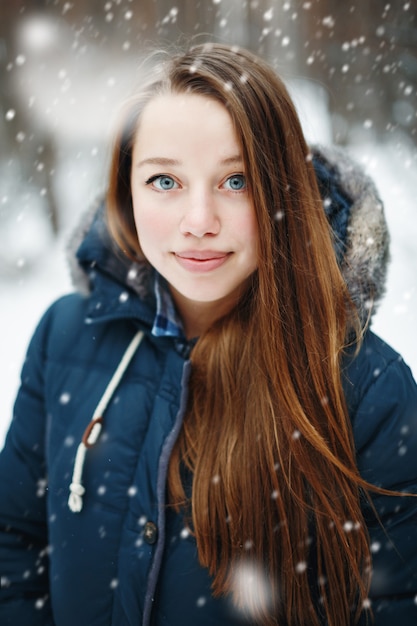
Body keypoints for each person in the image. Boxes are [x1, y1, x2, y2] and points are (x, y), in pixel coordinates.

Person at [0, 42, 416, 626]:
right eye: (165, 181)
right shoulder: (65, 337)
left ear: (282, 192)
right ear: (126, 191)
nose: (199, 221)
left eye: (236, 180)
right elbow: (14, 546)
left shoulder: (368, 389)